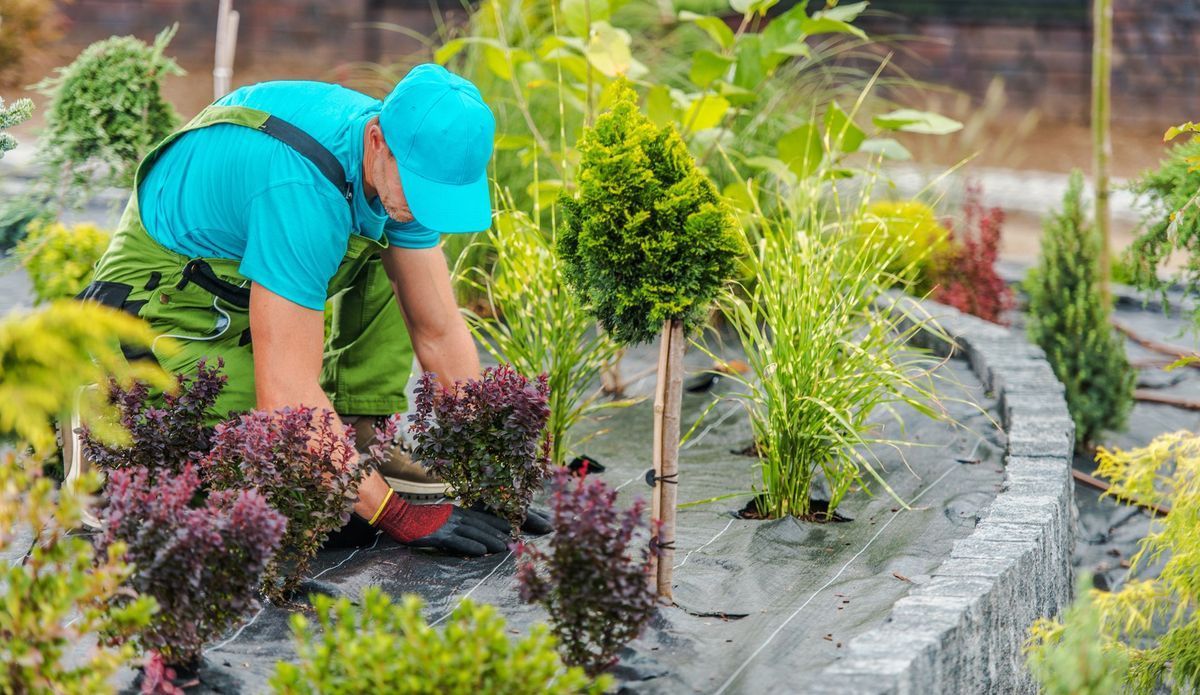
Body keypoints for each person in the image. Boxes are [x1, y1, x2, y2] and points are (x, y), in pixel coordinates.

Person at [77, 63, 543, 556]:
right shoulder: (301, 188)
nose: (426, 209)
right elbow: (287, 396)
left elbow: (439, 331)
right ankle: (99, 411)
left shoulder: (398, 170)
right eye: (421, 189)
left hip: (241, 276)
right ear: (378, 140)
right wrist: (397, 515)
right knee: (242, 480)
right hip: (161, 299)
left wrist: (489, 476)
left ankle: (360, 434)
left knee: (397, 257)